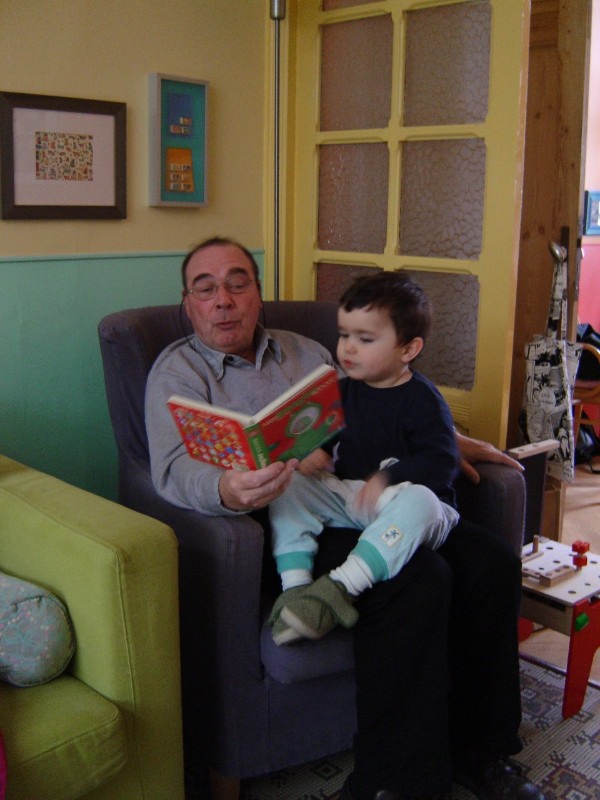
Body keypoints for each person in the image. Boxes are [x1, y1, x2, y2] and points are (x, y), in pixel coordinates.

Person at [145, 236, 544, 800]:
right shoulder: (177, 372)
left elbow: (377, 402)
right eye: (205, 289)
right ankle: (391, 781)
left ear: (257, 294)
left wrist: (450, 440)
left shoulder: (307, 351)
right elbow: (169, 469)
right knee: (418, 579)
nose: (223, 300)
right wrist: (226, 489)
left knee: (492, 563)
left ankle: (481, 753)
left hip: (359, 496)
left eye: (237, 283)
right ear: (188, 304)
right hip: (285, 525)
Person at [267, 272, 460, 646]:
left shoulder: (423, 400)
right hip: (355, 499)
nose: (348, 349)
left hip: (411, 511)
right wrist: (312, 453)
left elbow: (440, 463)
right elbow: (326, 440)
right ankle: (296, 588)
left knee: (420, 500)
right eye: (344, 335)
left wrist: (386, 478)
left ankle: (341, 586)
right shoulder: (342, 390)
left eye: (365, 339)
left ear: (408, 349)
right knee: (290, 483)